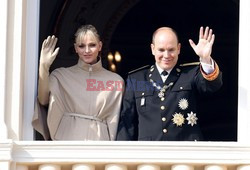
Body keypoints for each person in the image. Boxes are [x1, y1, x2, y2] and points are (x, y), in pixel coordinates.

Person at [116, 26, 223, 141]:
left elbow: (212, 86)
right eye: (161, 50)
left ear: (179, 48)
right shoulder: (137, 79)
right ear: (153, 49)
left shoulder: (191, 74)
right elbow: (127, 123)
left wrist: (205, 59)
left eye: (171, 50)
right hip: (149, 153)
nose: (166, 55)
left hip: (185, 152)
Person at [32, 24, 124, 140]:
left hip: (100, 143)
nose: (87, 50)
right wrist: (43, 67)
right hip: (67, 140)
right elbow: (43, 100)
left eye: (92, 45)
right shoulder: (61, 75)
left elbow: (114, 120)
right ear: (75, 48)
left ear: (100, 46)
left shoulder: (115, 81)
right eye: (81, 46)